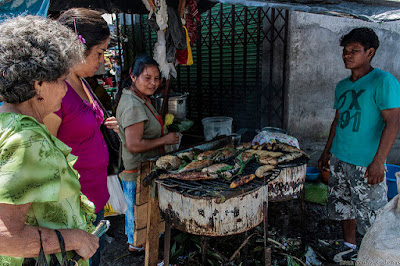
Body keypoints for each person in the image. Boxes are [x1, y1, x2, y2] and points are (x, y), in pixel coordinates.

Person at [0, 15, 98, 265]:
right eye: (62, 80)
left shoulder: (7, 120)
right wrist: (75, 239)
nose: (66, 90)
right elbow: (5, 237)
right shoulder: (28, 140)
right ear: (39, 85)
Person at [43, 8, 118, 265]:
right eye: (99, 52)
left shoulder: (82, 80)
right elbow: (45, 154)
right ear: (77, 46)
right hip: (73, 207)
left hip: (94, 198)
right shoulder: (56, 90)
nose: (103, 59)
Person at [318, 27, 400, 263]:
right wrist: (326, 153)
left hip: (366, 164)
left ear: (370, 52)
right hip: (340, 159)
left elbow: (393, 123)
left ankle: (372, 256)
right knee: (344, 208)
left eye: (354, 50)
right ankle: (349, 247)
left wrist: (378, 162)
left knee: (372, 214)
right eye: (345, 51)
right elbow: (337, 121)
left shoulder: (383, 81)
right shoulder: (342, 85)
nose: (347, 55)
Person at [116, 55, 180, 252]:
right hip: (137, 170)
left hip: (142, 168)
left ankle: (142, 245)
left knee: (140, 211)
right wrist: (165, 140)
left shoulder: (139, 98)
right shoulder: (133, 104)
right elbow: (134, 145)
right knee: (139, 214)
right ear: (133, 77)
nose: (153, 83)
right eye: (147, 78)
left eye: (157, 78)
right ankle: (138, 248)